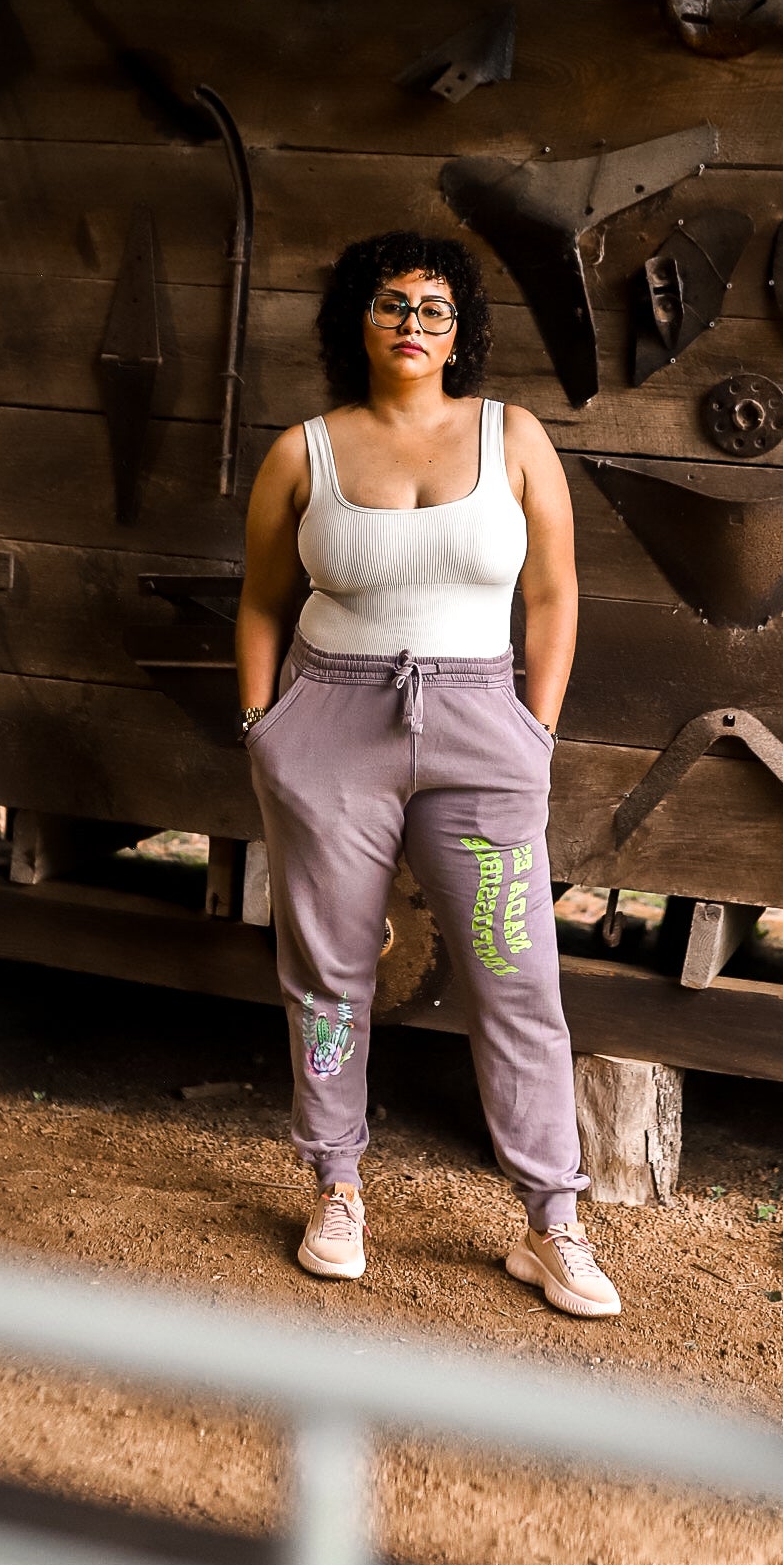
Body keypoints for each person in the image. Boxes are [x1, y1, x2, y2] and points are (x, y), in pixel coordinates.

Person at [234, 229, 619, 1318]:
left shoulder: (515, 437)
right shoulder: (303, 450)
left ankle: (552, 1223)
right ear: (356, 318)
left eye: (434, 308)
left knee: (515, 973)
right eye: (392, 304)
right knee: (329, 972)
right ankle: (337, 1187)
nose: (413, 324)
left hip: (480, 730)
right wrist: (262, 722)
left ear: (462, 331)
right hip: (330, 728)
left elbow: (553, 594)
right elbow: (261, 597)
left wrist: (531, 729)